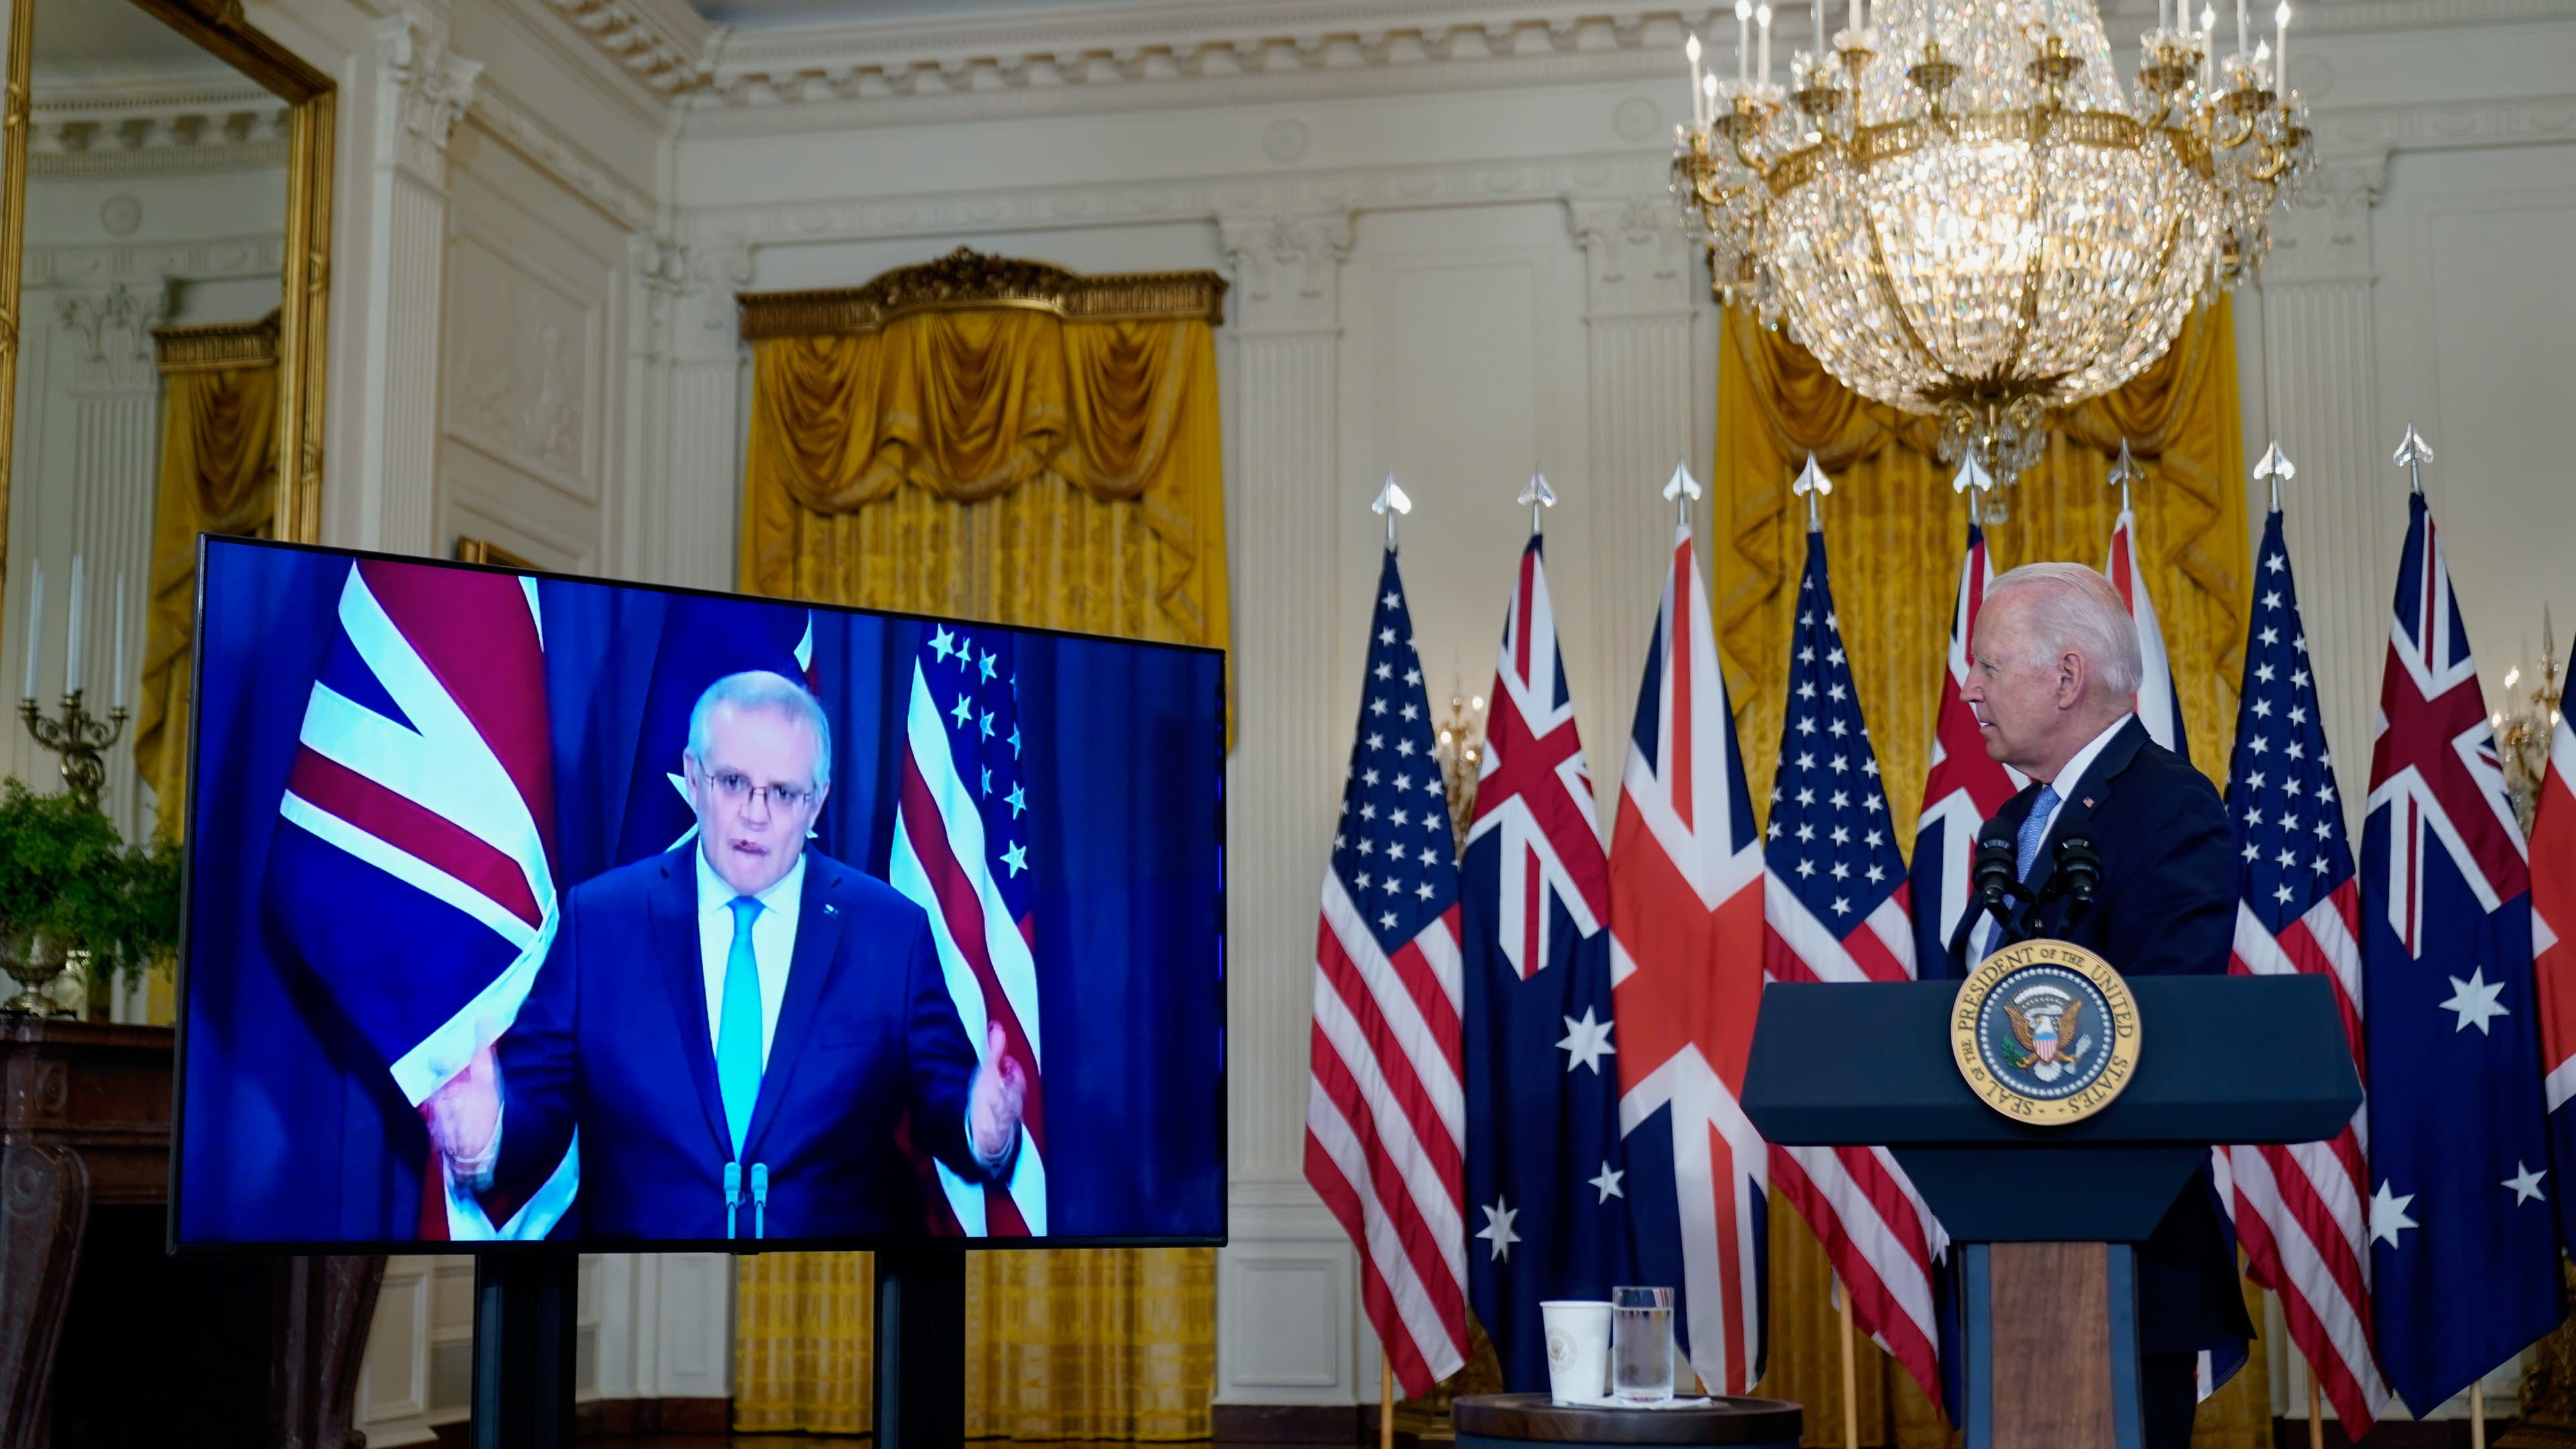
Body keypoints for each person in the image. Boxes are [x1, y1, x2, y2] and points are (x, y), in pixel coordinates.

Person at [421, 670, 1026, 1240]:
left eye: (784, 793)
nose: (754, 815)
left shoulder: (890, 934)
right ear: (692, 776)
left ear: (817, 802)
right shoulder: (600, 922)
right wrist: (487, 1138)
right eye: (733, 782)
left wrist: (986, 1131)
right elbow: (538, 1100)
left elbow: (946, 1099)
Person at [1956, 561, 2249, 1449]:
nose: (1969, 691)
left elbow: (2163, 1012)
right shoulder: (2011, 827)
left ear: (2068, 677)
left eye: (1989, 667)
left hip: (2122, 1248)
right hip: (2008, 1240)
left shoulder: (2169, 808)